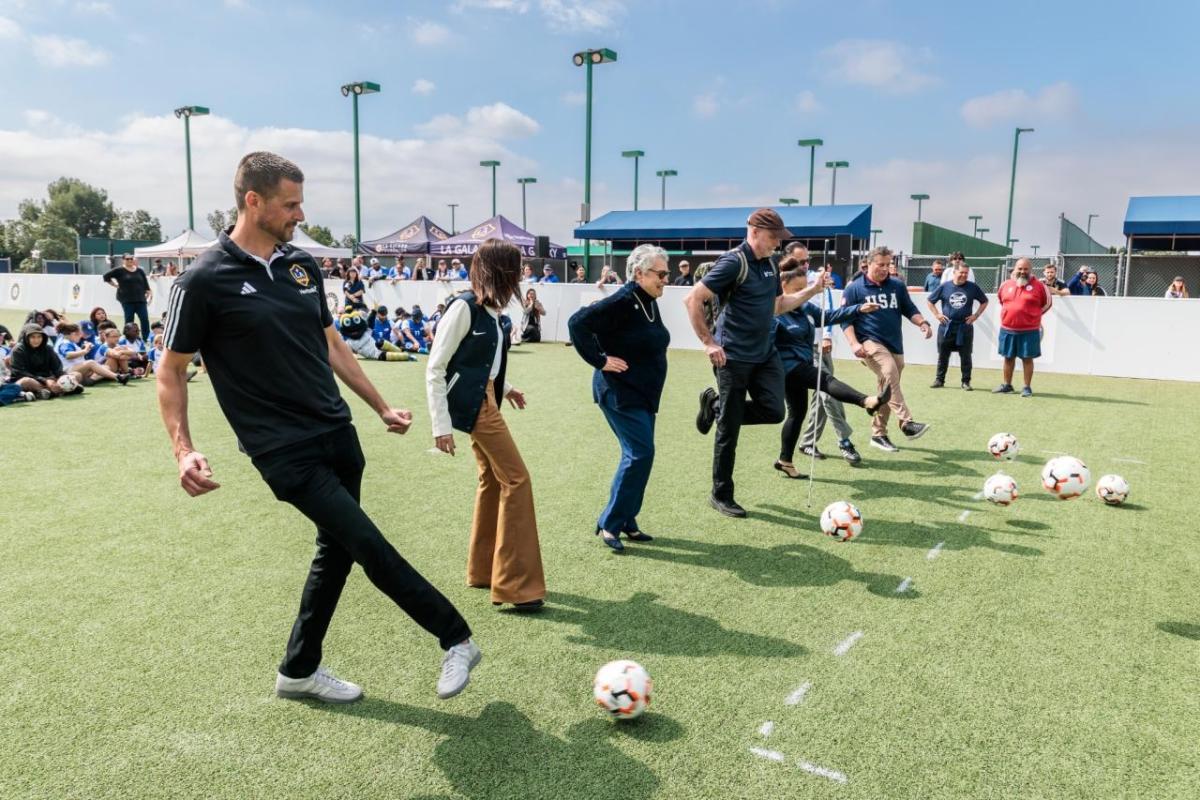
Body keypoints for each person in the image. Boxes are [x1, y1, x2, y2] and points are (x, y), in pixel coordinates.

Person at [158, 151, 480, 703]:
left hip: (338, 434)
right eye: (290, 204)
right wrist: (182, 448)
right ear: (252, 200)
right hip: (283, 452)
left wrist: (378, 406)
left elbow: (330, 343)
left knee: (337, 551)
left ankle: (298, 669)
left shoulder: (301, 267)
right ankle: (456, 637)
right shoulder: (203, 280)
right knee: (366, 542)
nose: (300, 214)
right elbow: (171, 370)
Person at [684, 208, 833, 518]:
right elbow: (693, 299)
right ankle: (721, 493)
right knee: (730, 430)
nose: (777, 244)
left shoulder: (768, 265)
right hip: (733, 357)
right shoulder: (733, 262)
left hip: (765, 354)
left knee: (774, 411)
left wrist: (813, 290)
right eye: (773, 237)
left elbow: (778, 305)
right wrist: (709, 342)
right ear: (754, 232)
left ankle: (714, 408)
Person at [425, 238, 546, 611]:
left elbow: (481, 364)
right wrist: (440, 426)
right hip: (477, 408)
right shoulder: (464, 308)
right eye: (516, 268)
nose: (520, 275)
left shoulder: (493, 313)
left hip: (488, 399)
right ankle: (516, 587)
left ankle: (484, 572)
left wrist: (506, 388)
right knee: (517, 479)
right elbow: (436, 367)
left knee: (493, 480)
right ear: (502, 271)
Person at [567, 244, 671, 552]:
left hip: (642, 393)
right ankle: (610, 523)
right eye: (660, 274)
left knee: (640, 456)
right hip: (618, 392)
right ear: (639, 274)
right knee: (639, 454)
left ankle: (626, 520)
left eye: (666, 273)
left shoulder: (648, 299)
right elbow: (578, 323)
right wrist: (599, 360)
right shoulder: (624, 299)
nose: (665, 279)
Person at [773, 261, 888, 478]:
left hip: (801, 364)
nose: (802, 294)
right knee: (824, 380)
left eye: (803, 288)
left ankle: (785, 461)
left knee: (797, 414)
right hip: (787, 368)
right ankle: (866, 401)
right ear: (782, 288)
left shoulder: (805, 307)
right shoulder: (775, 313)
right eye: (797, 290)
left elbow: (831, 316)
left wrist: (858, 309)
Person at [840, 246, 933, 453]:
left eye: (888, 264)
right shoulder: (854, 288)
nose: (884, 268)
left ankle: (878, 434)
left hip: (894, 344)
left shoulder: (897, 286)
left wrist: (922, 323)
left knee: (887, 388)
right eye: (880, 264)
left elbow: (909, 309)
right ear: (868, 264)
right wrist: (854, 344)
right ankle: (906, 422)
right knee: (889, 371)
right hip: (869, 343)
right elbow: (845, 320)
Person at [791, 244, 862, 465]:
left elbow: (827, 308)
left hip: (820, 345)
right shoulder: (780, 282)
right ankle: (844, 441)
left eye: (805, 261)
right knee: (829, 393)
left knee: (821, 397)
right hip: (800, 349)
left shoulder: (816, 278)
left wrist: (827, 335)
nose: (804, 265)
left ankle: (808, 441)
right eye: (799, 262)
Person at [926, 262, 989, 390]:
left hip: (964, 327)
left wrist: (975, 316)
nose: (964, 275)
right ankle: (939, 380)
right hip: (946, 327)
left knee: (966, 355)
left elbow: (984, 301)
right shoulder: (944, 286)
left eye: (966, 273)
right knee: (943, 355)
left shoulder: (972, 287)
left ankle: (966, 382)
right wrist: (937, 314)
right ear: (954, 273)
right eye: (961, 272)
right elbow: (930, 300)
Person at [994, 258, 1051, 397]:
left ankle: (1026, 387)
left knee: (1027, 358)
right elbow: (1002, 301)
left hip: (1029, 330)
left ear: (1030, 270)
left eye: (1025, 269)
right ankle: (1007, 385)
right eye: (1020, 268)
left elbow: (1047, 303)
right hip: (1007, 329)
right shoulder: (1005, 285)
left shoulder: (1039, 286)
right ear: (1015, 269)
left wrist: (1034, 316)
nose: (1022, 272)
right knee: (1008, 358)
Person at [5, 324, 71, 399]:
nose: (36, 340)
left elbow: (57, 368)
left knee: (76, 375)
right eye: (33, 337)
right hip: (30, 380)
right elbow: (19, 372)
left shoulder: (48, 349)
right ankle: (51, 391)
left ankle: (50, 391)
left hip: (49, 379)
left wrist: (63, 378)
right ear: (27, 338)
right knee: (26, 381)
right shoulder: (18, 350)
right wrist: (45, 381)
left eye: (39, 337)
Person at [55, 322, 129, 386]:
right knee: (91, 362)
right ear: (74, 334)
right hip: (69, 370)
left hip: (79, 368)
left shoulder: (69, 342)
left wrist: (84, 348)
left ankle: (92, 379)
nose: (81, 337)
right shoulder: (65, 343)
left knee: (106, 368)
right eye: (80, 334)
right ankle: (118, 377)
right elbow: (68, 355)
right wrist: (85, 350)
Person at [103, 254, 152, 341]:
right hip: (127, 300)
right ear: (123, 260)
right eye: (127, 259)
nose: (130, 260)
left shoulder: (140, 270)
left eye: (131, 258)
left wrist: (148, 291)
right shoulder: (119, 270)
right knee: (129, 320)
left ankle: (146, 338)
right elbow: (106, 276)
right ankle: (128, 338)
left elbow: (145, 281)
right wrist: (115, 285)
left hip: (140, 299)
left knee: (144, 319)